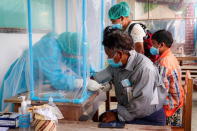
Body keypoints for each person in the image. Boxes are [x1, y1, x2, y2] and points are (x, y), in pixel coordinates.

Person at [0, 32, 101, 111]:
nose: (76, 57)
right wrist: (82, 82)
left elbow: (74, 61)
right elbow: (57, 80)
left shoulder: (64, 46)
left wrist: (93, 74)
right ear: (70, 48)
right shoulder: (49, 48)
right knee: (18, 109)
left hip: (34, 83)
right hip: (21, 81)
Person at [94, 26, 167, 126]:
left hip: (149, 116)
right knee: (103, 117)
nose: (108, 58)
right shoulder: (118, 63)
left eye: (109, 55)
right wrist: (89, 81)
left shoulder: (144, 68)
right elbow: (103, 76)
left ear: (119, 54)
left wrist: (117, 116)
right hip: (131, 109)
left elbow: (141, 104)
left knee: (106, 124)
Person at [150, 30, 184, 126]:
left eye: (153, 44)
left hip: (170, 105)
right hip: (176, 99)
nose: (152, 47)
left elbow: (160, 90)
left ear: (161, 44)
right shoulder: (169, 56)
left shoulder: (164, 62)